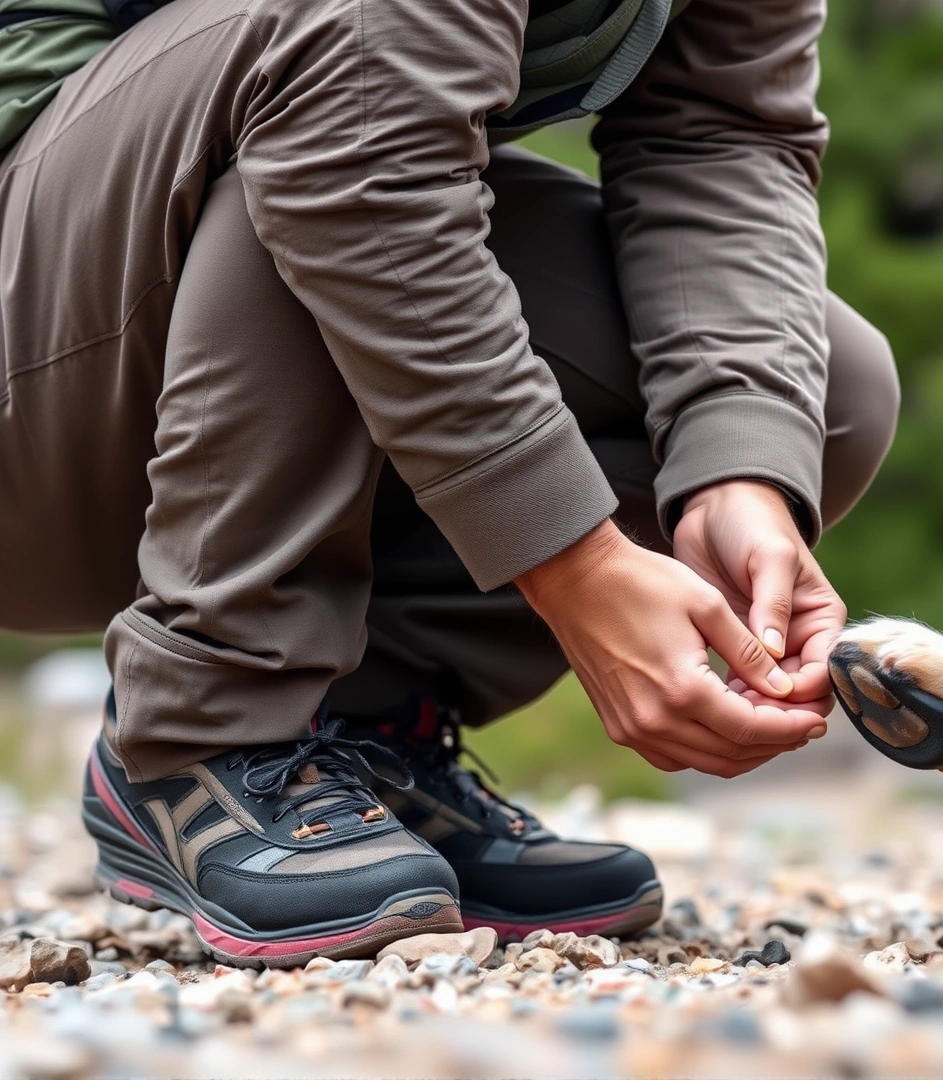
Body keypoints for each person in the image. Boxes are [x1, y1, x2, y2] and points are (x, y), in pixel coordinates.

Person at [0, 0, 897, 964]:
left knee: (816, 394)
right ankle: (204, 724)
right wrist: (575, 560)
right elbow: (358, 141)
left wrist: (736, 474)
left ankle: (352, 725)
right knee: (343, 75)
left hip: (195, 282)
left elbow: (722, 133)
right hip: (43, 337)